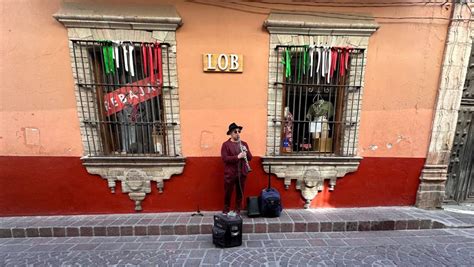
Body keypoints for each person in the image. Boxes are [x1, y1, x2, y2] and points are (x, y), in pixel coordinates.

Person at [221, 122, 253, 215]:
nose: (238, 133)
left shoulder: (244, 144)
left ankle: (237, 209)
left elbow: (250, 158)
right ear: (230, 133)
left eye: (239, 131)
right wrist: (238, 156)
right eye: (235, 131)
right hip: (230, 173)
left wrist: (246, 152)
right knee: (228, 192)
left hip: (242, 172)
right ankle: (226, 209)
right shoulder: (225, 145)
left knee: (240, 192)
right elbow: (225, 158)